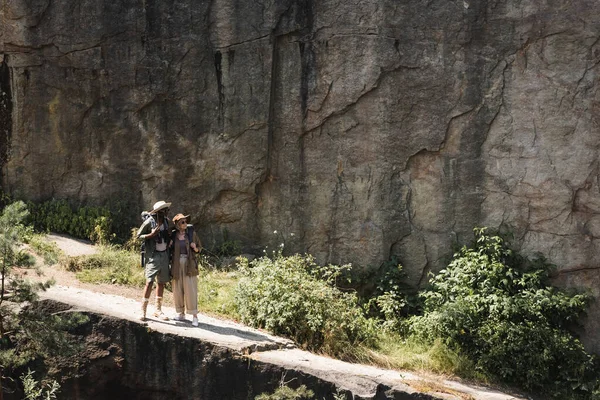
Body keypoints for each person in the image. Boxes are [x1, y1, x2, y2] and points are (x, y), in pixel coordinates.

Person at [137, 200, 172, 321]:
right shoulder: (149, 222)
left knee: (161, 282)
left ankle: (158, 310)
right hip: (153, 255)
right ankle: (143, 309)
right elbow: (138, 236)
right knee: (149, 282)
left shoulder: (166, 222)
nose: (167, 212)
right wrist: (150, 235)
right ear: (159, 212)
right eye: (165, 210)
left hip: (164, 255)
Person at [169, 213, 201, 326]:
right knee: (177, 289)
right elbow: (169, 251)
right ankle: (180, 313)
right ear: (178, 224)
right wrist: (170, 245)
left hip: (189, 265)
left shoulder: (192, 234)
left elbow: (199, 249)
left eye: (186, 221)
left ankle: (194, 316)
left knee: (190, 290)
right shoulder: (173, 236)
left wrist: (195, 247)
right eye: (182, 222)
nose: (185, 223)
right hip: (176, 265)